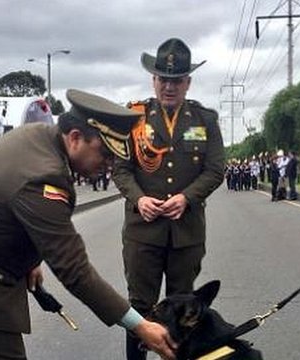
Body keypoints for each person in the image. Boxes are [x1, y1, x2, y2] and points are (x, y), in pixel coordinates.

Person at [0, 89, 177, 360]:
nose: (109, 164)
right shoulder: (44, 178)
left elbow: (6, 204)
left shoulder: (38, 135)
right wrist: (140, 326)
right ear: (76, 138)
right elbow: (75, 271)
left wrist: (31, 258)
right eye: (105, 154)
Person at [112, 38, 224, 360]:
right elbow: (121, 170)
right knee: (138, 310)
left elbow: (215, 169)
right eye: (164, 79)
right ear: (154, 80)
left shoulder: (205, 120)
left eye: (176, 80)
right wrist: (139, 199)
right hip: (143, 232)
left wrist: (187, 197)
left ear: (188, 82)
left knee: (184, 313)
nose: (169, 87)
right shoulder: (134, 118)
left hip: (185, 232)